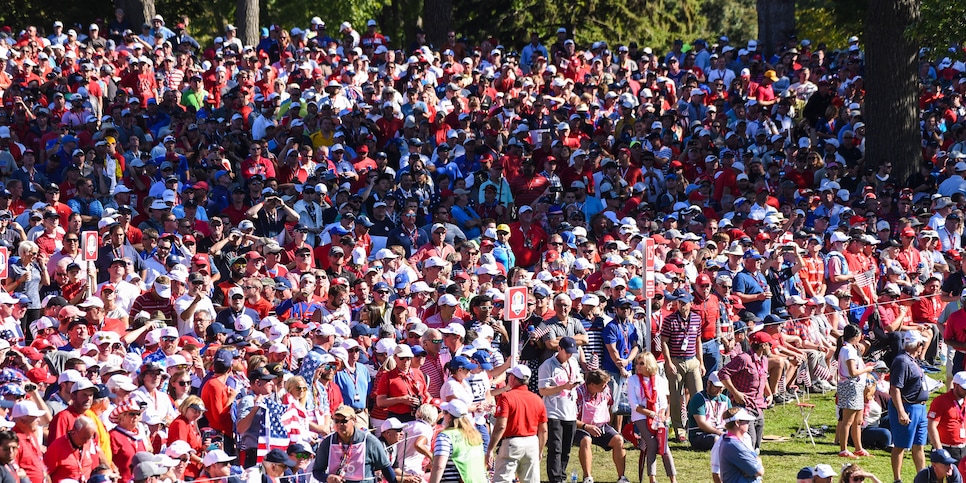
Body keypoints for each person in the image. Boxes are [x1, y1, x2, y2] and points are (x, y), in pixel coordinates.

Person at [488, 365, 548, 483]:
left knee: (502, 480)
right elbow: (544, 429)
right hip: (532, 443)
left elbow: (501, 426)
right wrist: (540, 451)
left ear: (513, 379)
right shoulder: (537, 399)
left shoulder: (506, 397)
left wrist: (490, 448)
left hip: (512, 443)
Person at [312, 405, 398, 483]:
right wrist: (328, 478)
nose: (339, 424)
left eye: (344, 421)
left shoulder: (369, 441)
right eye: (336, 421)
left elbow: (386, 468)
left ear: (354, 420)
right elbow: (317, 471)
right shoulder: (328, 442)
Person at [718, 330, 773, 449]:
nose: (772, 347)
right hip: (744, 406)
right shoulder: (744, 359)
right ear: (763, 345)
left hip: (758, 406)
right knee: (749, 443)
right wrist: (735, 393)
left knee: (757, 444)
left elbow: (763, 377)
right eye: (770, 344)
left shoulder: (764, 360)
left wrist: (769, 394)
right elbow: (723, 373)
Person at [627, 351, 677, 483]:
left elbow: (663, 402)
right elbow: (634, 404)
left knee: (664, 446)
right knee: (652, 442)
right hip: (640, 416)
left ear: (649, 365)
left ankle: (673, 478)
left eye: (642, 363)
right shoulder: (632, 380)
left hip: (657, 416)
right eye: (637, 363)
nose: (638, 366)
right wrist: (650, 414)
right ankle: (652, 478)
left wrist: (660, 414)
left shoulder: (660, 380)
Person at [538, 336, 582, 483]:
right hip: (553, 411)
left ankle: (562, 475)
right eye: (567, 352)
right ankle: (555, 478)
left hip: (570, 410)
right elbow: (543, 390)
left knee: (566, 448)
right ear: (559, 349)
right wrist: (563, 387)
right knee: (555, 448)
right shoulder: (547, 365)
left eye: (572, 352)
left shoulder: (573, 362)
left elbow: (577, 377)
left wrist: (577, 382)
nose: (569, 355)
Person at [891, 330, 932, 482]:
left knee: (919, 445)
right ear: (918, 345)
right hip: (908, 407)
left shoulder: (911, 360)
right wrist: (901, 411)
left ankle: (921, 477)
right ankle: (897, 479)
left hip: (920, 408)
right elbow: (895, 388)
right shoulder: (902, 361)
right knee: (901, 445)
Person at [574, 370, 628, 483]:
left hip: (601, 425)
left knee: (619, 439)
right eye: (602, 385)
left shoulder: (606, 390)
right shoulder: (578, 393)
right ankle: (587, 477)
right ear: (592, 385)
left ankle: (622, 477)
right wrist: (586, 426)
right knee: (586, 440)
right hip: (581, 427)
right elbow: (571, 418)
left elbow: (609, 404)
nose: (605, 387)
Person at [835, 323, 876, 458]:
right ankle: (843, 449)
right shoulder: (848, 350)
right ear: (857, 336)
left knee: (858, 420)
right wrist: (867, 369)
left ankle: (859, 447)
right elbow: (852, 371)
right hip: (850, 386)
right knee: (848, 420)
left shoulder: (851, 349)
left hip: (857, 387)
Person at [428, 400, 486, 483]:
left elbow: (439, 466)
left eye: (444, 412)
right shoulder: (475, 434)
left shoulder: (445, 436)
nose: (442, 415)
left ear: (450, 416)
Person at [686, 371, 731, 450]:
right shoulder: (699, 398)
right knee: (717, 439)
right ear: (709, 383)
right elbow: (701, 423)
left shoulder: (726, 400)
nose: (720, 389)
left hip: (720, 431)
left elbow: (730, 420)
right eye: (717, 386)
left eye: (722, 387)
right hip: (700, 434)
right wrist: (720, 433)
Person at [717, 408, 764, 483]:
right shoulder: (734, 445)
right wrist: (757, 464)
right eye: (746, 421)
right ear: (737, 423)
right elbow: (759, 471)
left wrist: (757, 461)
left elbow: (756, 459)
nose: (748, 423)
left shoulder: (730, 441)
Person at [929, 371, 966, 462]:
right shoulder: (940, 401)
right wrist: (939, 450)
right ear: (955, 385)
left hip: (963, 447)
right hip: (946, 448)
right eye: (964, 388)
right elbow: (931, 426)